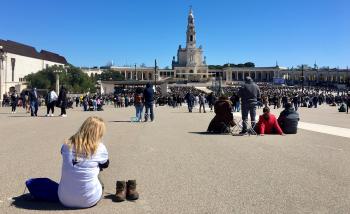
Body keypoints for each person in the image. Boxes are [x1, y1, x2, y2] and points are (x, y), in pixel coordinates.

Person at [58, 116, 109, 208]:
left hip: (64, 198)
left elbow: (62, 153)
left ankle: (72, 189)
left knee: (72, 167)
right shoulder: (100, 148)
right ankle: (88, 191)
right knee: (97, 167)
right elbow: (105, 164)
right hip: (89, 200)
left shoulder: (67, 144)